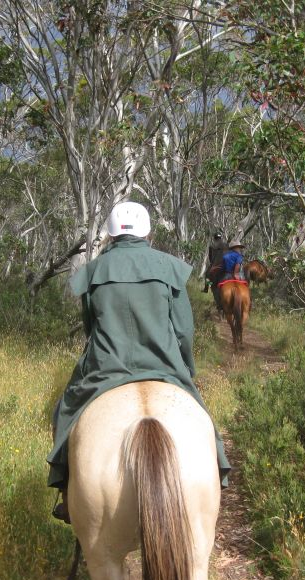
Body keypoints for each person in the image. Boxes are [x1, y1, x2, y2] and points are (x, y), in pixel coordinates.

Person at [48, 202, 231, 523]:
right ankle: (218, 473)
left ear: (112, 234)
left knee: (64, 410)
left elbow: (90, 327)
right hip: (164, 364)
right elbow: (184, 332)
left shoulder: (93, 272)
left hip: (104, 366)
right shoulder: (168, 268)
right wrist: (185, 368)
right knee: (201, 418)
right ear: (147, 233)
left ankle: (66, 492)